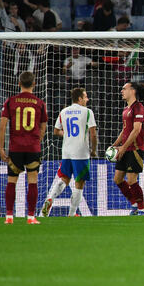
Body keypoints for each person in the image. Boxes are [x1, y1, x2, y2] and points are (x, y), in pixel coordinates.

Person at [0, 71, 48, 224]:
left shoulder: (10, 101)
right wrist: (37, 140)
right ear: (34, 84)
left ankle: (9, 216)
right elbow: (43, 127)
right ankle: (31, 217)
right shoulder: (40, 103)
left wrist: (1, 148)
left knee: (11, 181)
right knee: (32, 181)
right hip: (33, 148)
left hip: (16, 148)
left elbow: (2, 127)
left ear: (19, 84)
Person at [41, 88, 97, 217]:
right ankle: (71, 215)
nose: (87, 99)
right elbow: (93, 134)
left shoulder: (64, 111)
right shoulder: (87, 112)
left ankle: (50, 198)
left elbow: (56, 131)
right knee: (79, 182)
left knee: (64, 178)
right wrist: (93, 150)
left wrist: (67, 134)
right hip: (81, 153)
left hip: (66, 152)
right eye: (86, 97)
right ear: (80, 99)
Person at [111, 82, 144, 215]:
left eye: (124, 89)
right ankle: (134, 204)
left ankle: (142, 209)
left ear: (132, 91)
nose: (121, 91)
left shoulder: (138, 107)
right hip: (125, 149)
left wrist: (123, 147)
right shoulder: (126, 109)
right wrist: (115, 144)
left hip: (135, 149)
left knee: (132, 180)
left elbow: (136, 130)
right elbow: (125, 130)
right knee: (117, 179)